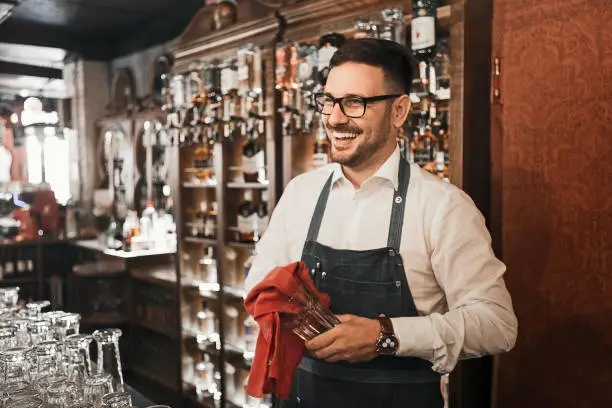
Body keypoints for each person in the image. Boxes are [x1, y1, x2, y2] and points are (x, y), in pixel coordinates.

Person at [244, 38, 517, 408]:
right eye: (327, 101)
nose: (335, 118)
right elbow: (259, 285)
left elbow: (497, 324)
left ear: (399, 111)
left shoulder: (443, 206)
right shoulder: (300, 193)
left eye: (354, 103)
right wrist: (292, 315)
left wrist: (385, 334)